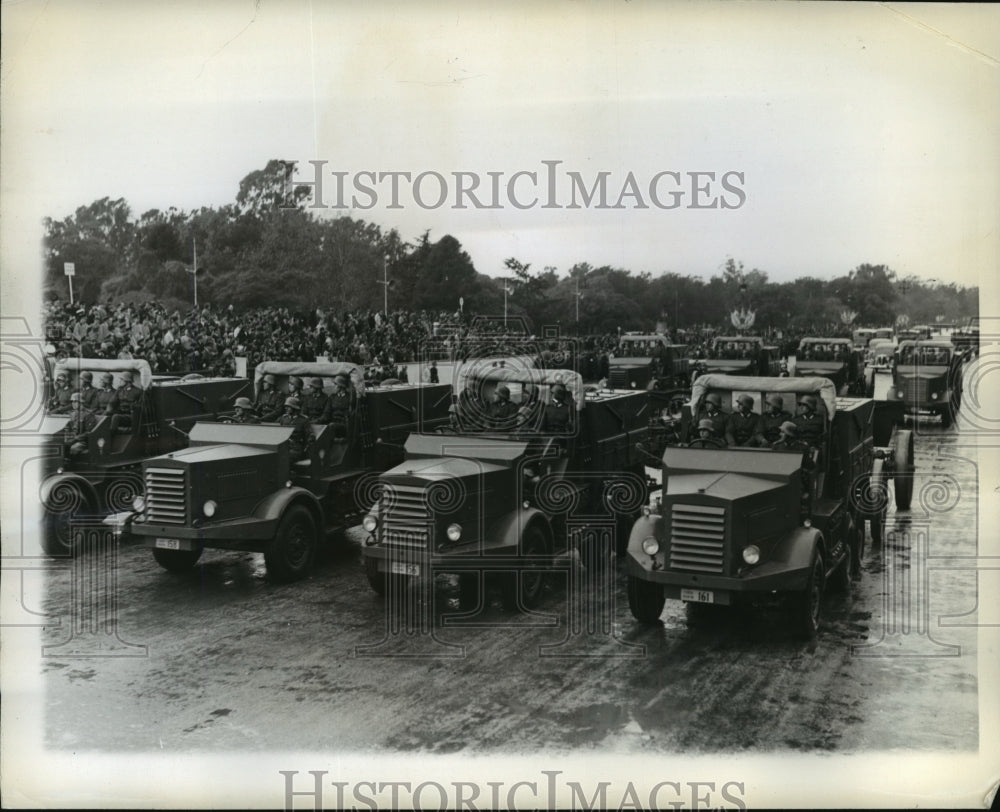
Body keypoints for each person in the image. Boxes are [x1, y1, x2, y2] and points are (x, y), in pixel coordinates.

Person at [278, 396, 314, 462]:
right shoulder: (284, 418)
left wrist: (306, 449)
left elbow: (310, 436)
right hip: (284, 446)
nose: (286, 408)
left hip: (296, 449)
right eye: (286, 406)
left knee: (285, 457)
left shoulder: (303, 420)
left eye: (288, 407)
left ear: (294, 408)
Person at [63, 392, 97, 457]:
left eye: (75, 401)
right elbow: (69, 428)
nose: (73, 403)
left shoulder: (88, 414)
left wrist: (75, 439)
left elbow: (88, 432)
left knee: (73, 449)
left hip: (83, 441)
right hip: (72, 439)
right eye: (72, 401)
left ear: (81, 402)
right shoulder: (72, 414)